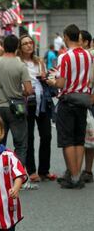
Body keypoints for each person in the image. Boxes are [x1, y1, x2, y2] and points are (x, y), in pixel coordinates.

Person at [47, 24, 93, 189]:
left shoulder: (65, 56)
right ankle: (77, 175)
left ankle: (73, 177)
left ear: (66, 37)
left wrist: (52, 81)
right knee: (79, 139)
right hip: (83, 100)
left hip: (68, 100)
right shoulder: (88, 55)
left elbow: (61, 82)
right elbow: (89, 78)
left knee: (67, 140)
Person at [0, 34, 33, 174]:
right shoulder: (20, 65)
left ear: (3, 46)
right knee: (21, 144)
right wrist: (20, 94)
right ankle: (16, 175)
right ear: (17, 47)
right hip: (16, 108)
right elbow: (29, 90)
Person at [17, 35, 57, 183]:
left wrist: (43, 71)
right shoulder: (18, 62)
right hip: (27, 102)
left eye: (30, 43)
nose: (28, 45)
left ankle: (44, 170)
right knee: (29, 137)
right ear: (20, 47)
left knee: (46, 135)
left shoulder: (39, 60)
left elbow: (44, 78)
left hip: (43, 101)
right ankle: (31, 170)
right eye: (25, 43)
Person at [79, 30, 94, 183]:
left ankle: (87, 170)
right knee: (82, 138)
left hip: (89, 100)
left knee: (89, 137)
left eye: (80, 41)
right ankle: (78, 169)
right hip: (81, 100)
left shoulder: (90, 56)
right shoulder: (73, 57)